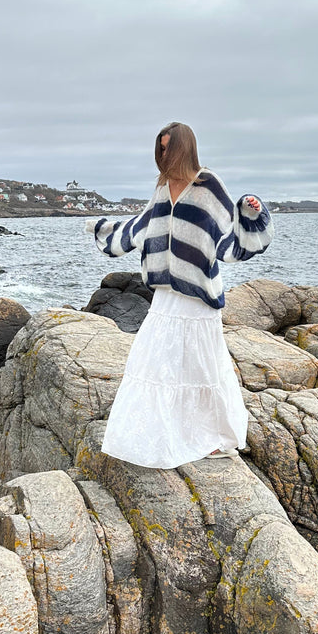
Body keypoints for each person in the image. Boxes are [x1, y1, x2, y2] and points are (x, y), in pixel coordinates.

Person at [89, 121, 273, 468]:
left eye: (168, 148)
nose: (163, 155)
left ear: (184, 149)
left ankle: (216, 436)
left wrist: (251, 213)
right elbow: (141, 226)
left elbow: (227, 237)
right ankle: (158, 437)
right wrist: (106, 231)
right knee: (157, 362)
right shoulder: (162, 189)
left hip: (199, 296)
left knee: (203, 367)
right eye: (159, 148)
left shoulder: (208, 185)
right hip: (165, 295)